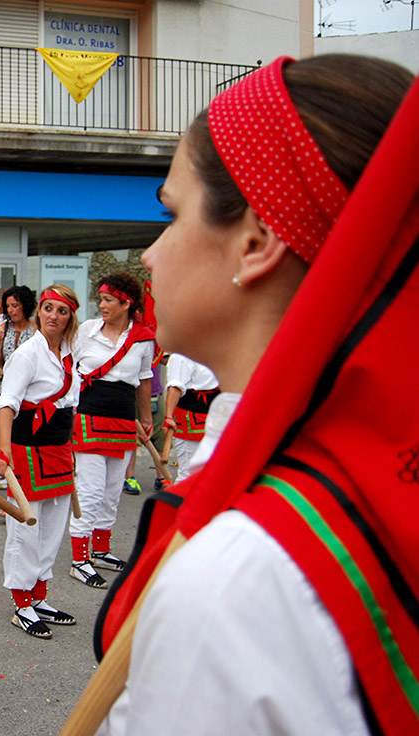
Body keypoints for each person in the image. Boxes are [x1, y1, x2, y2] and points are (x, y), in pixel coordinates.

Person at [91, 55, 418, 736]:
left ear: (257, 241)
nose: (151, 254)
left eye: (172, 214)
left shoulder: (231, 585)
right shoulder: (373, 485)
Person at [0, 285, 80, 639]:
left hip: (59, 449)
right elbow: (7, 403)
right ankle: (21, 602)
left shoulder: (71, 353)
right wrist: (4, 450)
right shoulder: (28, 354)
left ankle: (40, 596)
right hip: (28, 450)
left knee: (53, 527)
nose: (53, 316)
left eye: (61, 311)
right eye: (47, 309)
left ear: (71, 317)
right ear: (39, 311)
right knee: (25, 530)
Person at [68, 273, 153, 589]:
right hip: (89, 416)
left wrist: (146, 417)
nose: (101, 305)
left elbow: (144, 380)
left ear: (126, 303)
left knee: (112, 489)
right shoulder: (87, 331)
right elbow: (67, 366)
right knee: (89, 490)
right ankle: (80, 559)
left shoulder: (143, 338)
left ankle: (101, 550)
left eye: (108, 301)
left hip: (122, 419)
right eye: (101, 300)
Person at [162, 353, 219, 482]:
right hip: (191, 418)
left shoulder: (217, 349)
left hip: (216, 416)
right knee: (188, 475)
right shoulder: (181, 355)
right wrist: (169, 416)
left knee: (211, 474)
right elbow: (175, 387)